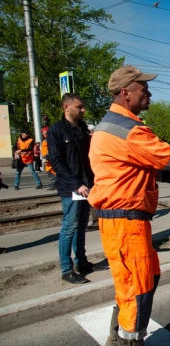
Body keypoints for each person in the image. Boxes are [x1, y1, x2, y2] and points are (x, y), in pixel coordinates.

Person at [88, 65, 170, 346]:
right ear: (126, 93)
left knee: (140, 279)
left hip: (121, 220)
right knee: (138, 286)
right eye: (143, 89)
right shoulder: (129, 128)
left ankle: (116, 339)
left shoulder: (112, 125)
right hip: (126, 221)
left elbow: (141, 167)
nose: (148, 93)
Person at [48, 93, 103, 284]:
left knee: (81, 226)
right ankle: (66, 269)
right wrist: (76, 184)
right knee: (69, 228)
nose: (83, 110)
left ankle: (82, 262)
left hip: (87, 186)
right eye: (79, 107)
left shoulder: (82, 129)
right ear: (66, 107)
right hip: (72, 188)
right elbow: (56, 161)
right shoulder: (56, 131)